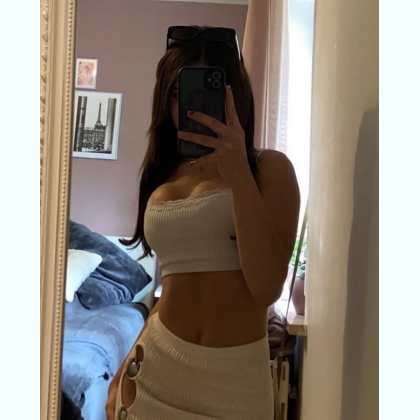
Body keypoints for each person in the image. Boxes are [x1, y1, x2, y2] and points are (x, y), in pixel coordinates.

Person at [106, 25, 300, 420]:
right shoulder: (164, 172)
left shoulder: (269, 170)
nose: (188, 107)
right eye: (177, 93)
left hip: (234, 384)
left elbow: (266, 287)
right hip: (155, 369)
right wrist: (126, 364)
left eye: (203, 91)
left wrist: (238, 173)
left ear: (232, 94)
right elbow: (171, 287)